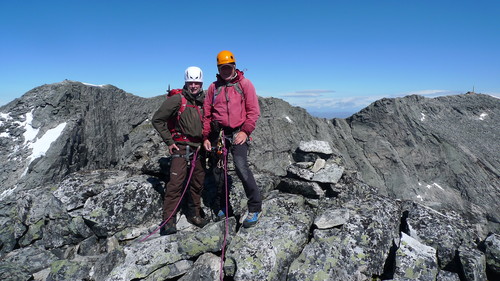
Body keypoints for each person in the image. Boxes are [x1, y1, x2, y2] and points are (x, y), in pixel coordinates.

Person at [202, 50, 262, 228]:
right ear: (218, 69)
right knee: (218, 171)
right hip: (219, 134)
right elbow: (207, 114)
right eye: (222, 68)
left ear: (234, 66)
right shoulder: (214, 87)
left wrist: (245, 131)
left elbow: (253, 112)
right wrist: (206, 136)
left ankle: (255, 207)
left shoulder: (245, 84)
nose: (226, 71)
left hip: (238, 132)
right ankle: (223, 206)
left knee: (240, 166)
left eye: (228, 67)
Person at [152, 66, 208, 235]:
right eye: (190, 83)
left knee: (197, 183)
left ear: (201, 83)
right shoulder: (177, 100)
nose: (193, 86)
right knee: (175, 184)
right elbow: (158, 119)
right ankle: (168, 220)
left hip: (199, 148)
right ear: (186, 82)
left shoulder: (205, 101)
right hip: (181, 146)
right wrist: (169, 141)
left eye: (196, 83)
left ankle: (194, 214)